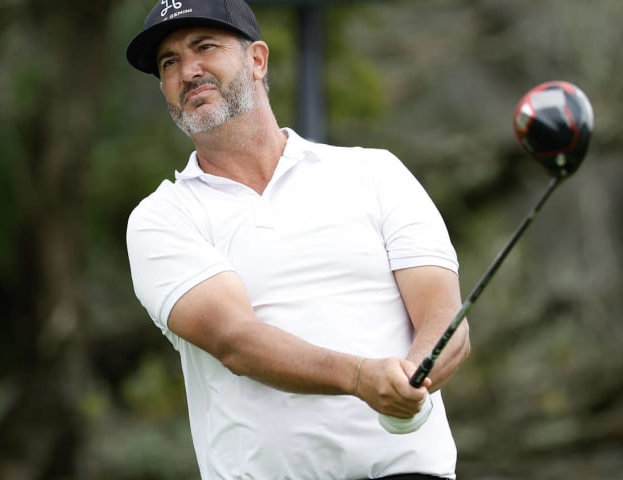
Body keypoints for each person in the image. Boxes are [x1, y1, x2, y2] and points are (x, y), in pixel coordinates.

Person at [124, 1, 471, 478]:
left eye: (205, 47)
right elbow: (236, 342)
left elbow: (443, 316)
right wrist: (360, 378)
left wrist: (415, 374)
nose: (188, 71)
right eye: (169, 62)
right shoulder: (161, 218)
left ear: (258, 60)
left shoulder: (375, 172)